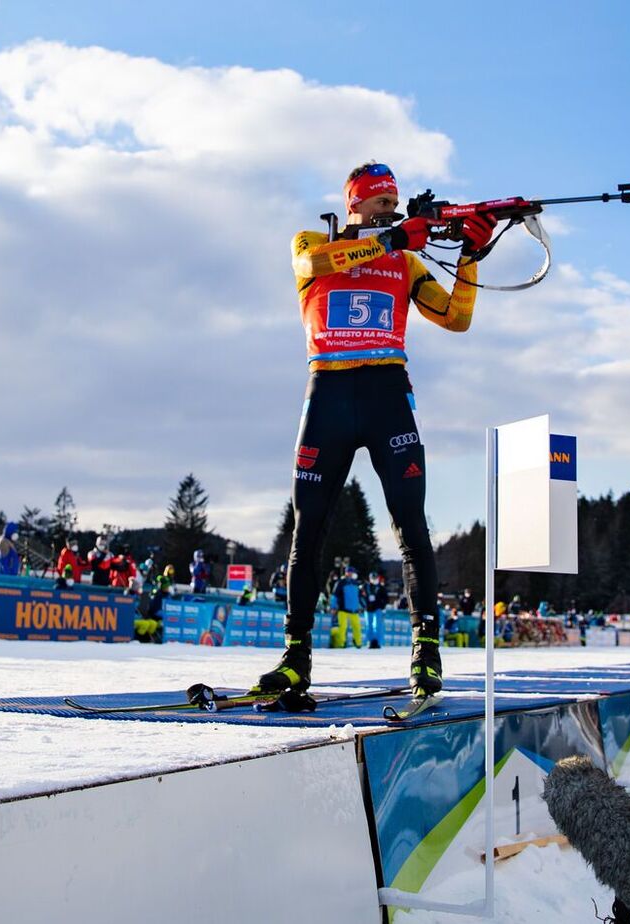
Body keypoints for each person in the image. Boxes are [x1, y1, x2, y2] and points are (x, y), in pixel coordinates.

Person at [253, 164, 496, 704]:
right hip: (329, 394)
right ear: (356, 206)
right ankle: (295, 657)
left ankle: (426, 651)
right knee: (307, 527)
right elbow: (310, 262)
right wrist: (384, 240)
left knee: (411, 524)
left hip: (387, 394)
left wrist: (470, 259)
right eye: (381, 201)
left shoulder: (405, 262)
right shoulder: (315, 242)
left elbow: (457, 318)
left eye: (395, 200)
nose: (392, 208)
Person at [329, 566, 365, 649]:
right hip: (343, 610)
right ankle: (340, 644)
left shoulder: (356, 583)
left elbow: (358, 597)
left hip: (354, 611)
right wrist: (333, 607)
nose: (351, 574)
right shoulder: (341, 582)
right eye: (350, 572)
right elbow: (335, 595)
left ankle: (358, 643)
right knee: (342, 628)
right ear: (346, 572)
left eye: (352, 572)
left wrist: (363, 606)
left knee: (357, 627)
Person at [364, 571, 388, 650]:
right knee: (368, 626)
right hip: (368, 609)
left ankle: (377, 642)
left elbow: (386, 598)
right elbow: (361, 597)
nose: (374, 580)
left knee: (377, 625)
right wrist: (365, 605)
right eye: (373, 578)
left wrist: (382, 605)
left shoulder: (381, 587)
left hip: (377, 609)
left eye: (375, 578)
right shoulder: (365, 587)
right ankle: (370, 641)